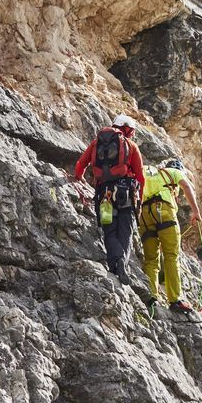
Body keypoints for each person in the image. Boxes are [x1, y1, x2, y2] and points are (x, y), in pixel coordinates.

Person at [74, 115, 145, 287]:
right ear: (128, 129)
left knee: (109, 229)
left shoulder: (96, 143)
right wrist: (139, 202)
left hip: (104, 193)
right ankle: (121, 263)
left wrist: (79, 178)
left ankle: (115, 263)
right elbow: (141, 177)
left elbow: (80, 165)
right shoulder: (131, 146)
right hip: (126, 193)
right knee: (125, 231)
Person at [140, 157, 201, 315]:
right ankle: (175, 299)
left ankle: (152, 296)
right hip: (164, 212)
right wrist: (196, 211)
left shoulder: (152, 175)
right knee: (171, 256)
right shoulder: (174, 172)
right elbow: (187, 186)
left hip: (145, 216)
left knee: (151, 259)